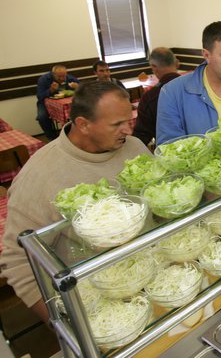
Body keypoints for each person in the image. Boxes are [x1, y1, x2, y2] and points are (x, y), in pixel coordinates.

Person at [1, 81, 150, 323]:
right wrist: (67, 326)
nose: (129, 131)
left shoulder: (134, 148)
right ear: (83, 124)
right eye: (117, 124)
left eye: (128, 119)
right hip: (99, 296)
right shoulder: (40, 175)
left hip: (150, 270)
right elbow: (19, 261)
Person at [133, 47, 181, 146]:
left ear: (154, 67)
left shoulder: (150, 98)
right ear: (176, 63)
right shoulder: (196, 87)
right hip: (205, 149)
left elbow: (141, 138)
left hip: (170, 154)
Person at [36, 64, 80, 140]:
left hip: (66, 103)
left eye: (64, 76)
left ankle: (73, 135)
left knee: (81, 112)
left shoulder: (70, 78)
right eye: (59, 76)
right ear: (53, 74)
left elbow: (83, 88)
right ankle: (52, 138)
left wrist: (78, 87)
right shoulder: (44, 79)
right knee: (42, 117)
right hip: (46, 103)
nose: (62, 78)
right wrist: (50, 90)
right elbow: (39, 96)